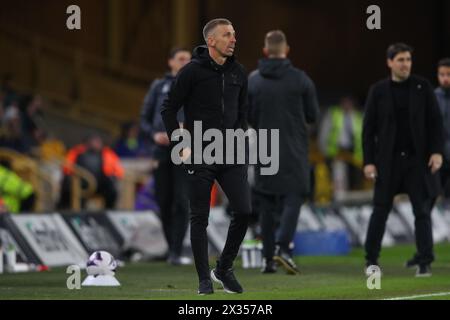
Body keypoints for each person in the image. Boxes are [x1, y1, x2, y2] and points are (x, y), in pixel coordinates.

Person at [161, 18, 251, 294]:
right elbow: (169, 109)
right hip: (199, 152)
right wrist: (181, 144)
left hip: (231, 153)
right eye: (227, 35)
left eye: (234, 34)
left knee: (245, 211)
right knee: (200, 217)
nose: (233, 39)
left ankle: (223, 268)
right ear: (211, 41)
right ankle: (203, 280)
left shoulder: (239, 72)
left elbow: (243, 113)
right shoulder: (191, 72)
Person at [362, 43, 444, 277]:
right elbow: (368, 130)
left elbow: (435, 123)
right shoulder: (377, 91)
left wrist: (437, 152)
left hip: (418, 162)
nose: (405, 64)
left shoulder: (422, 86)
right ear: (389, 62)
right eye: (400, 60)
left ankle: (425, 262)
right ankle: (371, 259)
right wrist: (369, 161)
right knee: (380, 211)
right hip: (387, 162)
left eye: (408, 59)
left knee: (422, 212)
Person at [248, 30, 319, 274]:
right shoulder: (301, 80)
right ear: (286, 50)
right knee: (295, 196)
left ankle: (268, 260)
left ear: (265, 51)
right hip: (293, 148)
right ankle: (283, 247)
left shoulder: (253, 81)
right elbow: (312, 115)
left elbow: (245, 116)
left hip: (264, 147)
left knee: (267, 202)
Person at [141, 48, 192, 266]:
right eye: (181, 59)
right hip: (161, 150)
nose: (185, 63)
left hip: (184, 149)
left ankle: (176, 250)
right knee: (164, 200)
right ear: (170, 62)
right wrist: (154, 135)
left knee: (181, 200)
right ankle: (172, 247)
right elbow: (144, 119)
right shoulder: (157, 86)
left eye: (189, 60)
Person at [59, 134, 124, 209]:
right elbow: (67, 167)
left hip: (100, 184)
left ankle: (109, 211)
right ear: (87, 142)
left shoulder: (107, 153)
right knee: (69, 184)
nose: (97, 144)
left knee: (112, 190)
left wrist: (114, 176)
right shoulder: (76, 152)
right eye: (95, 141)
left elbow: (117, 170)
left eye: (99, 142)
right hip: (81, 183)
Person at [319, 96, 363, 194]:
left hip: (355, 152)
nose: (347, 105)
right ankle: (340, 195)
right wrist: (324, 150)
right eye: (345, 103)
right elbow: (324, 133)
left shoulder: (358, 116)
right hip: (338, 150)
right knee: (339, 175)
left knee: (355, 177)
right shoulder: (334, 114)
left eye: (349, 103)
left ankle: (353, 196)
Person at [435, 58, 450, 201]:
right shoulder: (433, 98)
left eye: (448, 74)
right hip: (439, 156)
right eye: (442, 74)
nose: (445, 78)